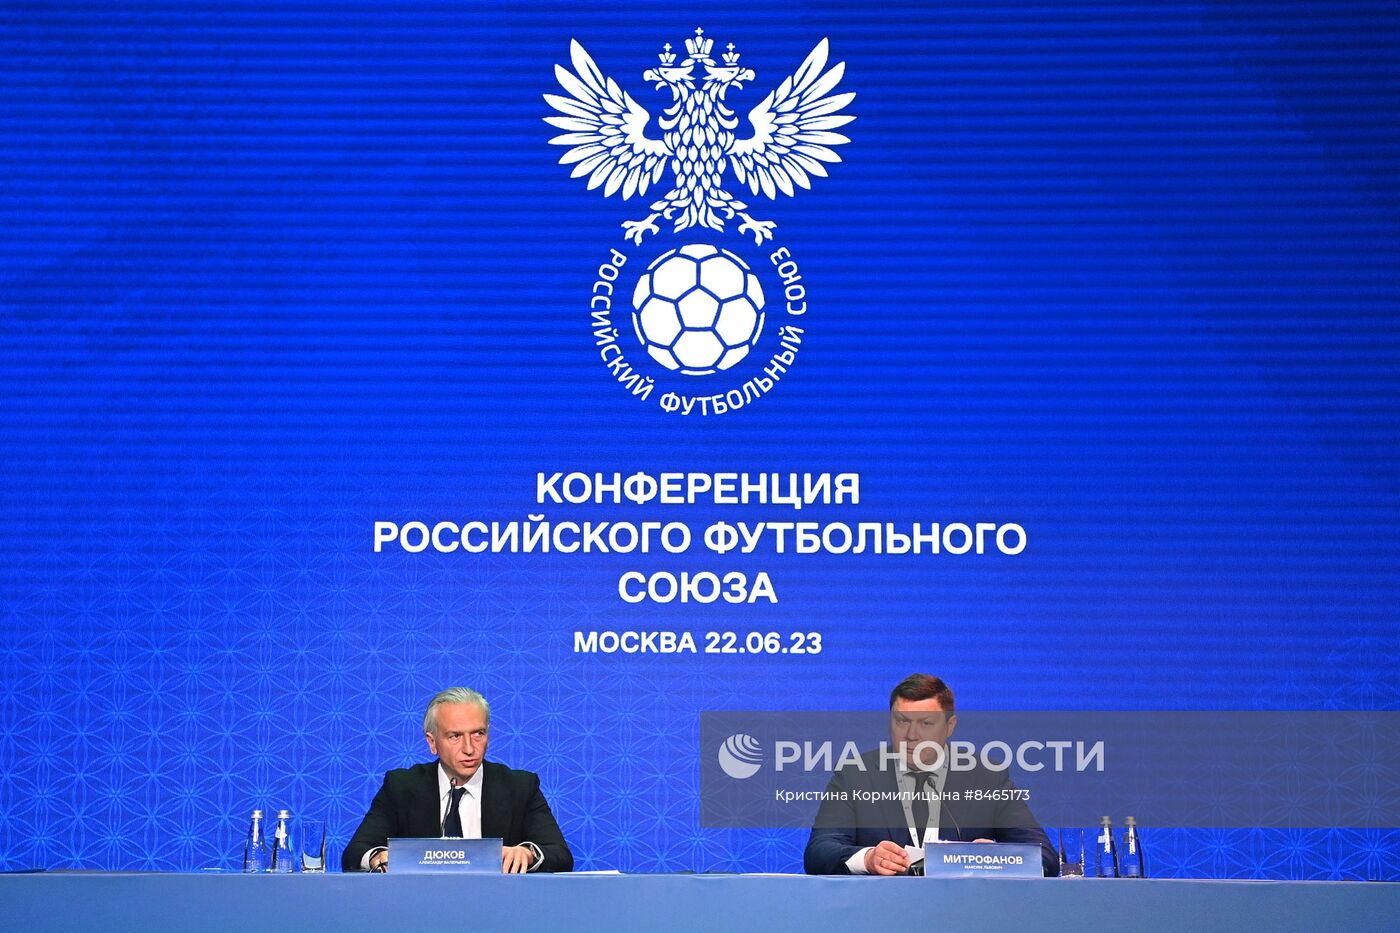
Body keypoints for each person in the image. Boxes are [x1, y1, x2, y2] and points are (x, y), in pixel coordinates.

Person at [803, 673, 1058, 876]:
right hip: (881, 910)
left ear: (949, 726)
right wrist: (868, 858)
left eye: (925, 723)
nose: (911, 735)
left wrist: (996, 858)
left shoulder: (986, 777)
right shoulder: (856, 774)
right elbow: (819, 851)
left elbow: (1046, 857)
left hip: (963, 912)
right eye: (901, 721)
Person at [343, 687, 573, 873]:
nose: (469, 748)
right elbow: (355, 852)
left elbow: (560, 855)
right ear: (432, 742)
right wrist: (378, 858)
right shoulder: (402, 787)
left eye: (478, 734)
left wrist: (528, 853)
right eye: (455, 736)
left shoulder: (519, 787)